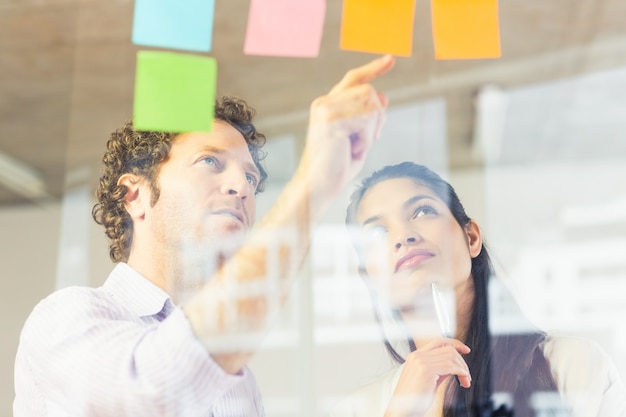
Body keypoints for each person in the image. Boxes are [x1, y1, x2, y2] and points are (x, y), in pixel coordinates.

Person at [13, 54, 396, 416]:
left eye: (250, 177)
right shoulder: (65, 319)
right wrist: (312, 186)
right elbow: (154, 391)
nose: (241, 187)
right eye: (210, 161)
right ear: (135, 195)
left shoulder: (236, 380)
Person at [332, 162, 626, 417]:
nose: (403, 236)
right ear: (369, 280)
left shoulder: (572, 365)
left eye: (422, 211)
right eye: (376, 233)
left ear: (471, 237)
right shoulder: (358, 409)